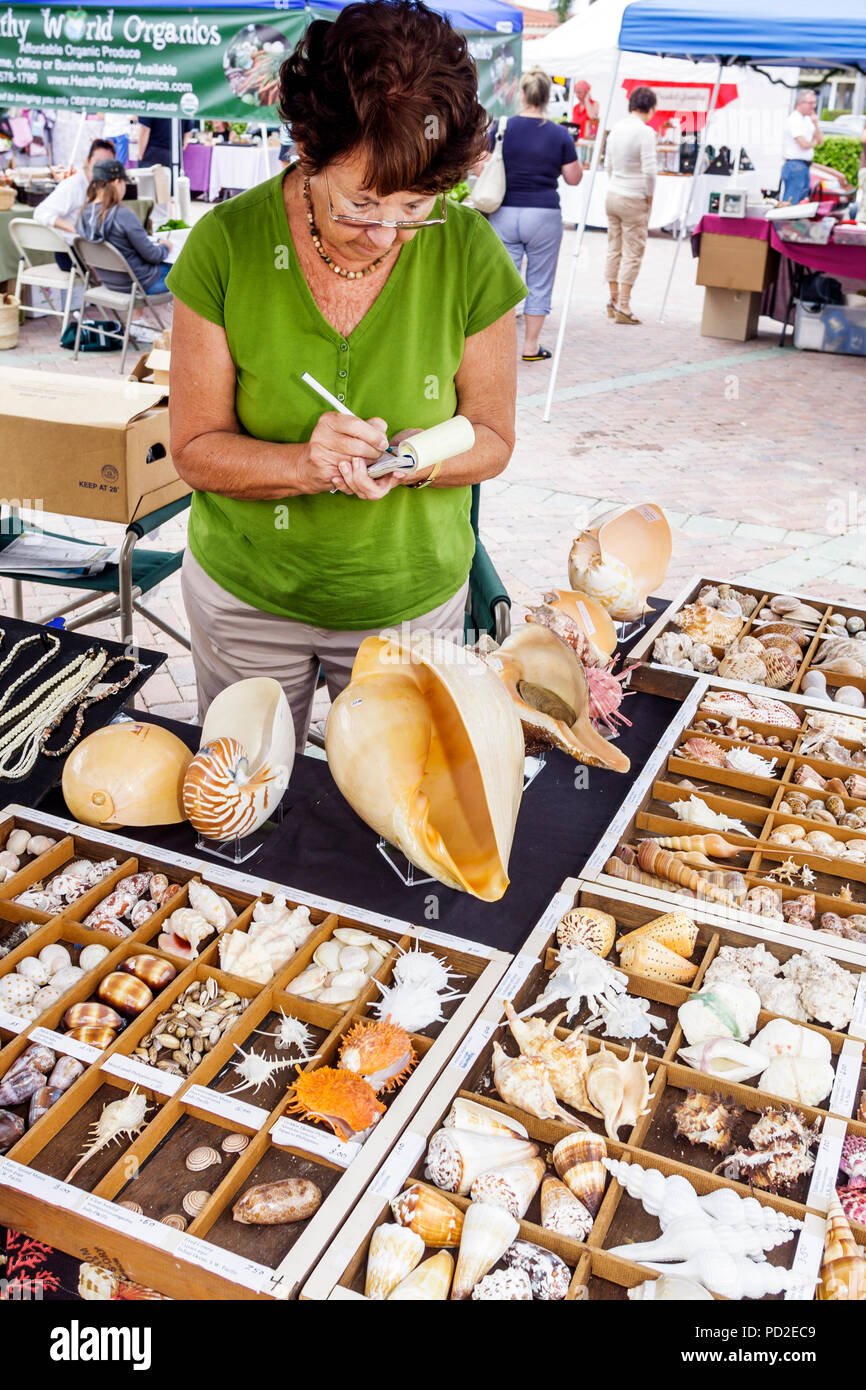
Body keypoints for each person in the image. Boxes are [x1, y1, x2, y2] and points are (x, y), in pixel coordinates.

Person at [166, 0, 526, 747]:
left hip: (408, 602)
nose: (386, 233)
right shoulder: (227, 245)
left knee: (404, 816)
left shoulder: (469, 253)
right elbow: (196, 448)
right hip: (248, 599)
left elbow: (491, 437)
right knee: (246, 803)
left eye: (417, 204)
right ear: (305, 147)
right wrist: (305, 464)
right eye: (360, 202)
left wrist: (411, 461)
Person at [487, 69, 580, 362]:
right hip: (543, 213)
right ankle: (530, 346)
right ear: (547, 97)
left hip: (504, 211)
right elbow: (573, 177)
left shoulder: (502, 128)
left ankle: (497, 347)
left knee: (504, 280)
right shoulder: (559, 133)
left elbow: (482, 167)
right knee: (539, 280)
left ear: (523, 95)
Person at [75, 158, 171, 295]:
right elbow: (153, 255)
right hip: (142, 283)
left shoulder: (84, 213)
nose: (125, 187)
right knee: (186, 270)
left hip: (110, 282)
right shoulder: (122, 214)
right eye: (124, 182)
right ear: (116, 182)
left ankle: (137, 317)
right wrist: (166, 246)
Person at [604, 85, 658, 325]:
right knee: (633, 252)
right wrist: (650, 196)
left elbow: (608, 166)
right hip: (634, 196)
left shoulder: (616, 128)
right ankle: (624, 305)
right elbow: (650, 172)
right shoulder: (645, 132)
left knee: (614, 247)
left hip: (613, 193)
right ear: (651, 109)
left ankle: (613, 299)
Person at [33, 137, 115, 268]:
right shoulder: (73, 185)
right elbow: (41, 213)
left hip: (95, 249)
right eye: (98, 162)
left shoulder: (106, 186)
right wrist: (75, 228)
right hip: (72, 253)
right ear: (88, 161)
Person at [780, 90, 821, 206]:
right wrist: (814, 142)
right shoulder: (794, 120)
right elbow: (803, 144)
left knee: (801, 203)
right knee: (791, 202)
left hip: (804, 166)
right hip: (795, 165)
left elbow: (820, 140)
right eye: (810, 103)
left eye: (814, 103)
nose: (813, 107)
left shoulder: (808, 120)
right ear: (800, 103)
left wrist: (816, 125)